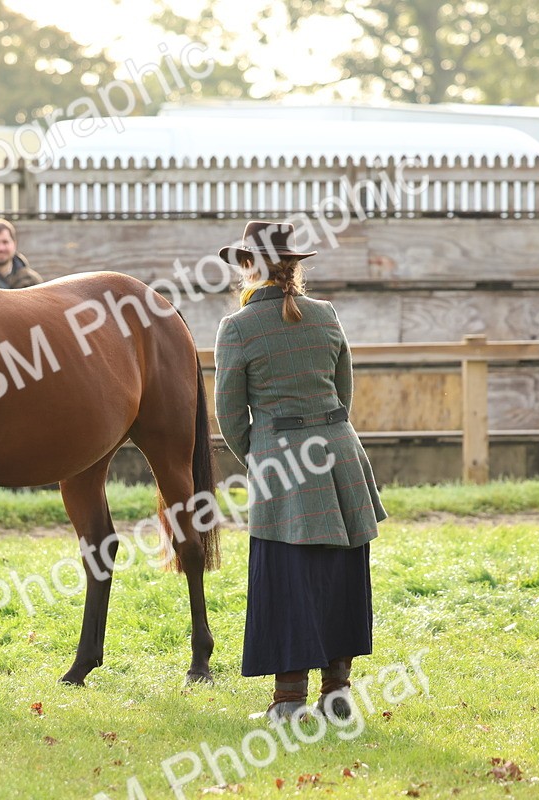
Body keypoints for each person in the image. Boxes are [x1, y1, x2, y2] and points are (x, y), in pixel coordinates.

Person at [213, 220, 387, 723]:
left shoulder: (238, 328)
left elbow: (229, 415)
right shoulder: (326, 315)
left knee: (286, 579)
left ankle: (288, 702)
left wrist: (262, 455)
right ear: (293, 267)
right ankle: (337, 697)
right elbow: (344, 393)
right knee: (341, 576)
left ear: (250, 267)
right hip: (340, 456)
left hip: (283, 464)